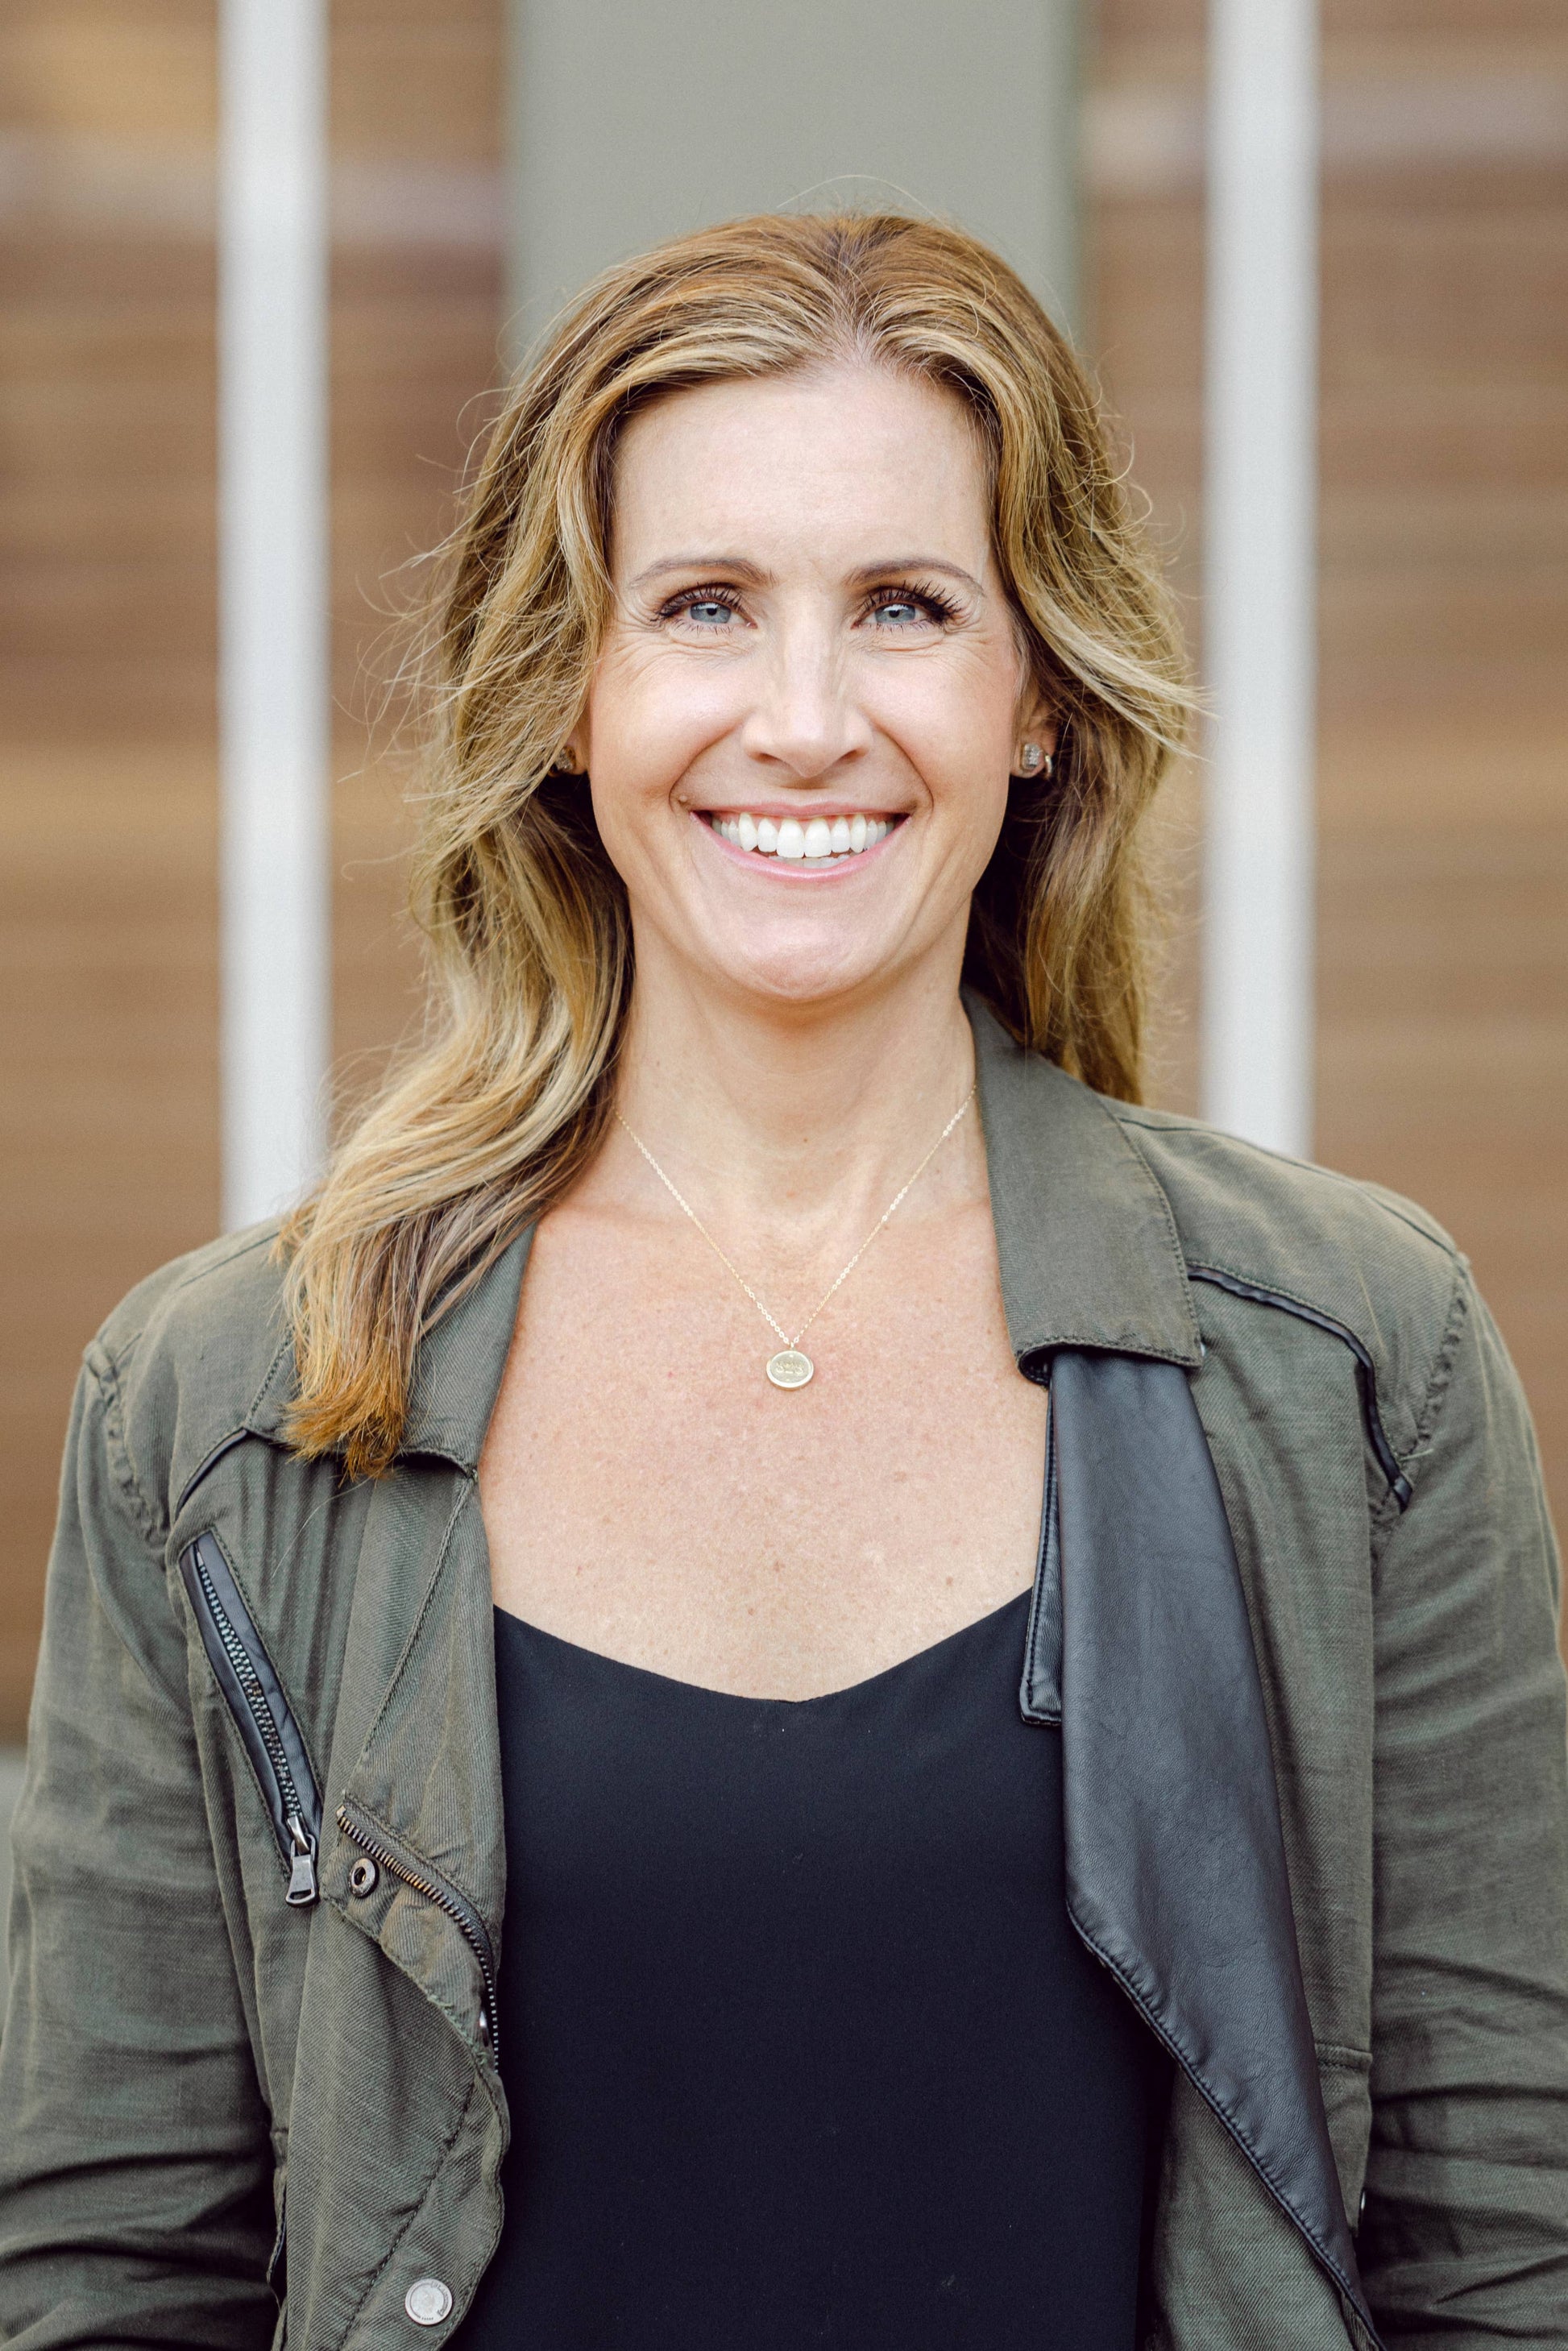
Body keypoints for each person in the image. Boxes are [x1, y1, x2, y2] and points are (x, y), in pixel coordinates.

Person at [1, 212, 1564, 2351]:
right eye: (705, 607)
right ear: (570, 692)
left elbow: (1502, 2252)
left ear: (1035, 698)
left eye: (906, 607)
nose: (804, 720)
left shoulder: (1354, 1356)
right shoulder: (229, 1398)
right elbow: (109, 2273)